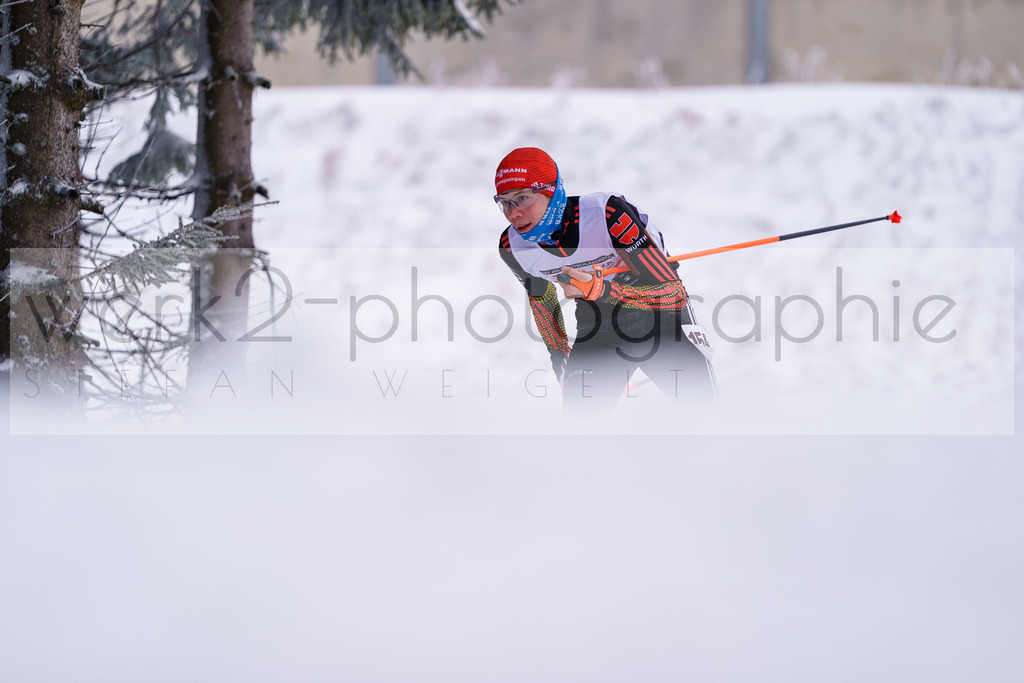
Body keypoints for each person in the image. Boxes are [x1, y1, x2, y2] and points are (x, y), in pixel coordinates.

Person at [495, 147, 716, 415]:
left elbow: (672, 294)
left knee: (704, 418)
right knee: (580, 430)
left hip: (664, 323)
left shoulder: (606, 214)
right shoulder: (512, 247)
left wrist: (599, 288)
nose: (513, 213)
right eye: (504, 201)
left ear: (551, 192)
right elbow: (541, 297)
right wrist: (559, 354)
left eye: (522, 198)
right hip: (598, 328)